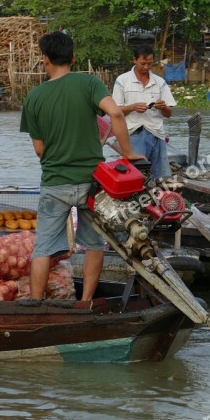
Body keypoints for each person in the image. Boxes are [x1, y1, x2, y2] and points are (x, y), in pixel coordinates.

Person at [20, 31, 144, 302]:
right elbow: (114, 113)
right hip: (93, 182)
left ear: (45, 60)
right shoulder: (89, 83)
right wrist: (128, 153)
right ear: (73, 58)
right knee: (93, 244)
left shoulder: (34, 98)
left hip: (55, 182)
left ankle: (37, 306)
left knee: (42, 249)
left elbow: (39, 149)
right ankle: (85, 303)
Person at [112, 44, 177, 179]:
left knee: (161, 177)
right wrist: (133, 107)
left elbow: (169, 113)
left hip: (157, 134)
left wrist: (163, 107)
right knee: (137, 177)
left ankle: (158, 199)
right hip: (133, 133)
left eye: (149, 63)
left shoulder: (160, 82)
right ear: (134, 60)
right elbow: (115, 111)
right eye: (143, 63)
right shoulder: (123, 80)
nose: (146, 67)